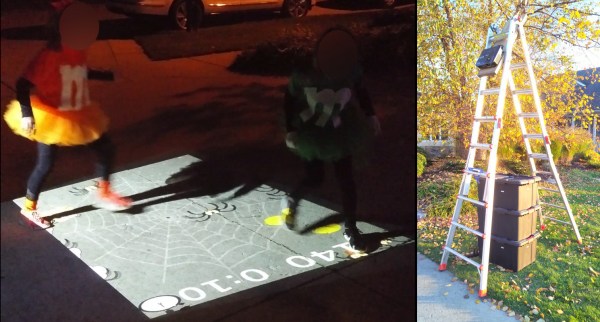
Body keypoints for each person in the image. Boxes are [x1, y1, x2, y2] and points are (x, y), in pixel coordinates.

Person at [3, 1, 132, 229]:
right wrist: (27, 115)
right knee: (45, 165)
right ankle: (29, 208)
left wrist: (108, 76)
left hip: (79, 111)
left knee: (106, 148)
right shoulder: (48, 56)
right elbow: (22, 83)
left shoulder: (77, 49)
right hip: (53, 116)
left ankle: (104, 192)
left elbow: (80, 71)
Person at [282, 27, 381, 252]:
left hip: (340, 131)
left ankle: (351, 228)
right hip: (312, 131)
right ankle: (293, 198)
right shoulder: (305, 75)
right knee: (315, 178)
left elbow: (361, 90)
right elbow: (289, 99)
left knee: (346, 180)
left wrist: (371, 114)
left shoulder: (349, 71)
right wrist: (290, 129)